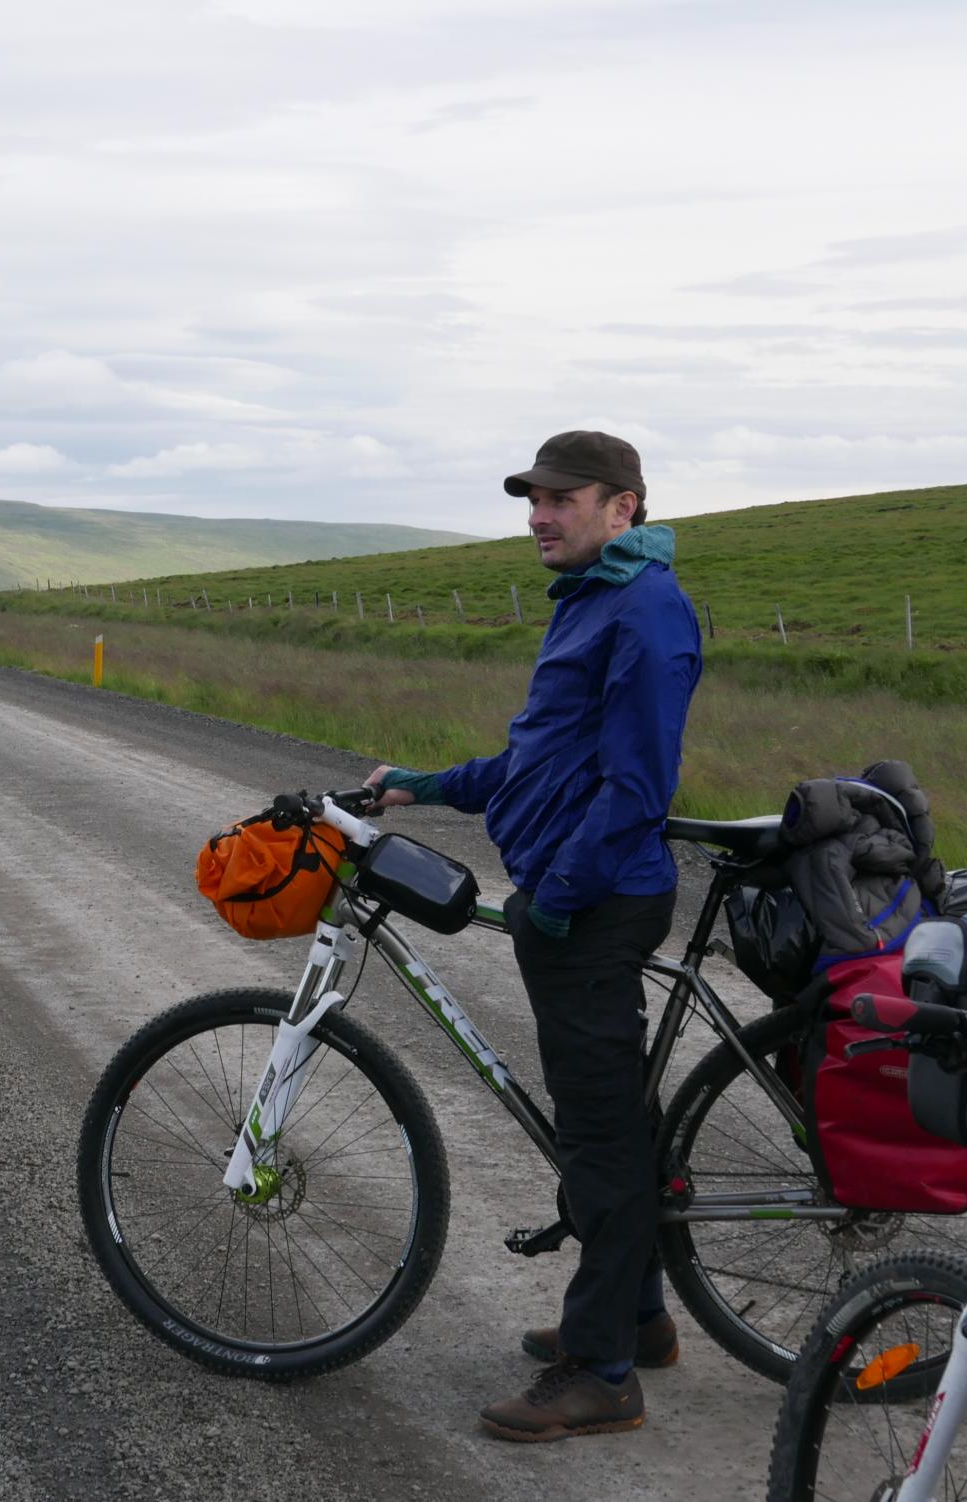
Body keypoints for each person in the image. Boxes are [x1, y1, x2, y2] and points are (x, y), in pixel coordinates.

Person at [366, 430, 702, 1442]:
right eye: (532, 498)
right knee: (602, 1123)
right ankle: (635, 1317)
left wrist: (555, 891)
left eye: (561, 498)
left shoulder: (645, 609)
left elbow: (636, 787)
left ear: (622, 505)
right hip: (574, 898)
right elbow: (539, 758)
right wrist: (427, 785)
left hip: (596, 904)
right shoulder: (591, 600)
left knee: (597, 1138)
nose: (537, 515)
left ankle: (600, 1372)